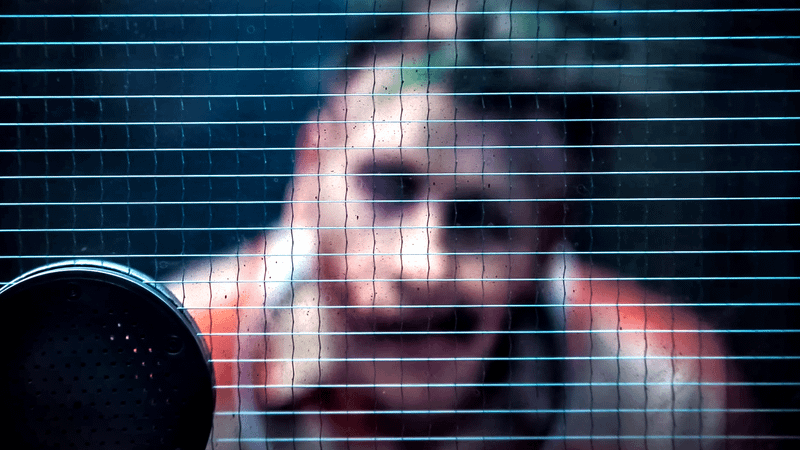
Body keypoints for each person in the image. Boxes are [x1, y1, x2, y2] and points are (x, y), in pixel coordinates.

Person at [168, 2, 755, 448]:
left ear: (547, 241)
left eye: (484, 217)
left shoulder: (665, 399)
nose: (423, 267)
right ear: (309, 171)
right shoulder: (171, 373)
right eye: (389, 186)